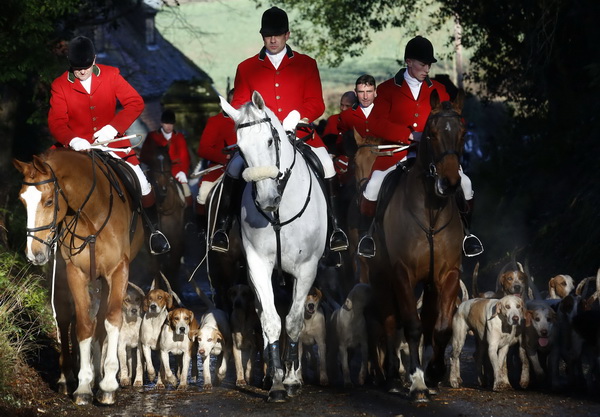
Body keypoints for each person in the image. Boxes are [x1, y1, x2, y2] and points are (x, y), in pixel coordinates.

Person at [212, 6, 348, 253]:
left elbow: (316, 102)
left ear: (287, 35)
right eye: (267, 35)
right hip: (261, 140)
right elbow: (241, 100)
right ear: (262, 36)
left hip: (300, 134)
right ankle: (223, 228)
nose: (272, 40)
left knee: (327, 165)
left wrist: (298, 116)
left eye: (277, 34)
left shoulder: (307, 64)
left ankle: (336, 230)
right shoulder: (246, 67)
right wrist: (234, 111)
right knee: (233, 168)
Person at [48, 35, 169, 255]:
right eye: (77, 68)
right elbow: (56, 121)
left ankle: (154, 232)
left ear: (94, 59)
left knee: (143, 185)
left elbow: (135, 103)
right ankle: (51, 238)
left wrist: (114, 127)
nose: (82, 72)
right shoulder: (60, 85)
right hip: (76, 148)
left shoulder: (111, 75)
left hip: (111, 143)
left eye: (85, 67)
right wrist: (73, 139)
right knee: (48, 187)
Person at [365, 35, 483, 257]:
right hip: (397, 153)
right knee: (374, 185)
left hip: (434, 156)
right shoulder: (388, 89)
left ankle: (467, 234)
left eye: (429, 64)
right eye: (422, 63)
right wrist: (409, 135)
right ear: (408, 61)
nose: (427, 68)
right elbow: (375, 123)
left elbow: (454, 120)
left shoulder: (439, 89)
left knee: (465, 184)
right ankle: (371, 236)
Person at [336, 74, 379, 256]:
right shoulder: (346, 117)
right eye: (361, 92)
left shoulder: (385, 113)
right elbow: (344, 143)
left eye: (369, 92)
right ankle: (340, 233)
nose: (365, 96)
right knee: (344, 195)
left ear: (375, 93)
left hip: (380, 163)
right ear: (356, 93)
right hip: (358, 165)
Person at [195, 88, 238, 246]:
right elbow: (203, 149)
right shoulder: (215, 121)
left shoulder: (249, 121)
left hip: (246, 169)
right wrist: (225, 157)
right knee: (203, 193)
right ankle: (202, 231)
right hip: (220, 168)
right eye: (234, 101)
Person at [141, 109, 194, 228]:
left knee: (187, 193)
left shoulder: (179, 137)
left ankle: (188, 222)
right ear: (161, 123)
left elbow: (185, 157)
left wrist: (183, 172)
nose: (168, 126)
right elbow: (144, 155)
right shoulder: (152, 136)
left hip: (176, 172)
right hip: (157, 172)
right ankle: (148, 222)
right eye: (166, 123)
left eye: (171, 124)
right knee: (146, 193)